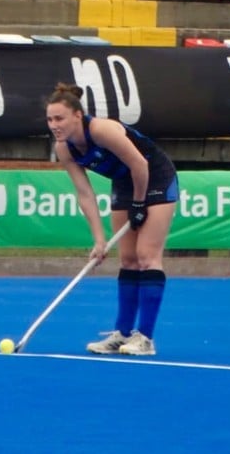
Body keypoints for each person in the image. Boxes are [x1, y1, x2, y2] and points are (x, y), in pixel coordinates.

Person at [46, 83, 179, 356]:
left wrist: (140, 203)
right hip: (125, 183)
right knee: (128, 258)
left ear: (77, 116)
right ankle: (123, 334)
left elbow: (140, 164)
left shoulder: (101, 130)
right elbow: (85, 193)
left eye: (59, 118)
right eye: (49, 119)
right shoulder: (65, 149)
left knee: (146, 256)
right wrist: (99, 240)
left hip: (155, 176)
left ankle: (145, 339)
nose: (54, 125)